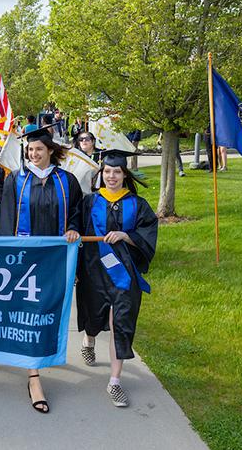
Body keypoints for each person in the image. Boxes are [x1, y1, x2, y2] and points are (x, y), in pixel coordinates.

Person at [0, 126, 82, 414]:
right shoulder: (15, 181)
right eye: (30, 150)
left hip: (55, 260)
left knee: (49, 309)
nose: (33, 154)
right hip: (24, 261)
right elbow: (7, 221)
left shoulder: (66, 180)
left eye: (38, 150)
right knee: (28, 312)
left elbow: (77, 214)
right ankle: (34, 377)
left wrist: (72, 228)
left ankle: (45, 351)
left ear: (50, 151)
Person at [76, 150, 158, 408]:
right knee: (94, 314)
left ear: (124, 174)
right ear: (101, 174)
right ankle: (89, 340)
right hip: (93, 269)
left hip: (124, 273)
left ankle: (114, 381)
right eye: (107, 171)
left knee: (120, 321)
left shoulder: (138, 203)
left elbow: (148, 233)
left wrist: (125, 235)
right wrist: (71, 233)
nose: (111, 176)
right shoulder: (89, 201)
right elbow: (74, 226)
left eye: (117, 171)